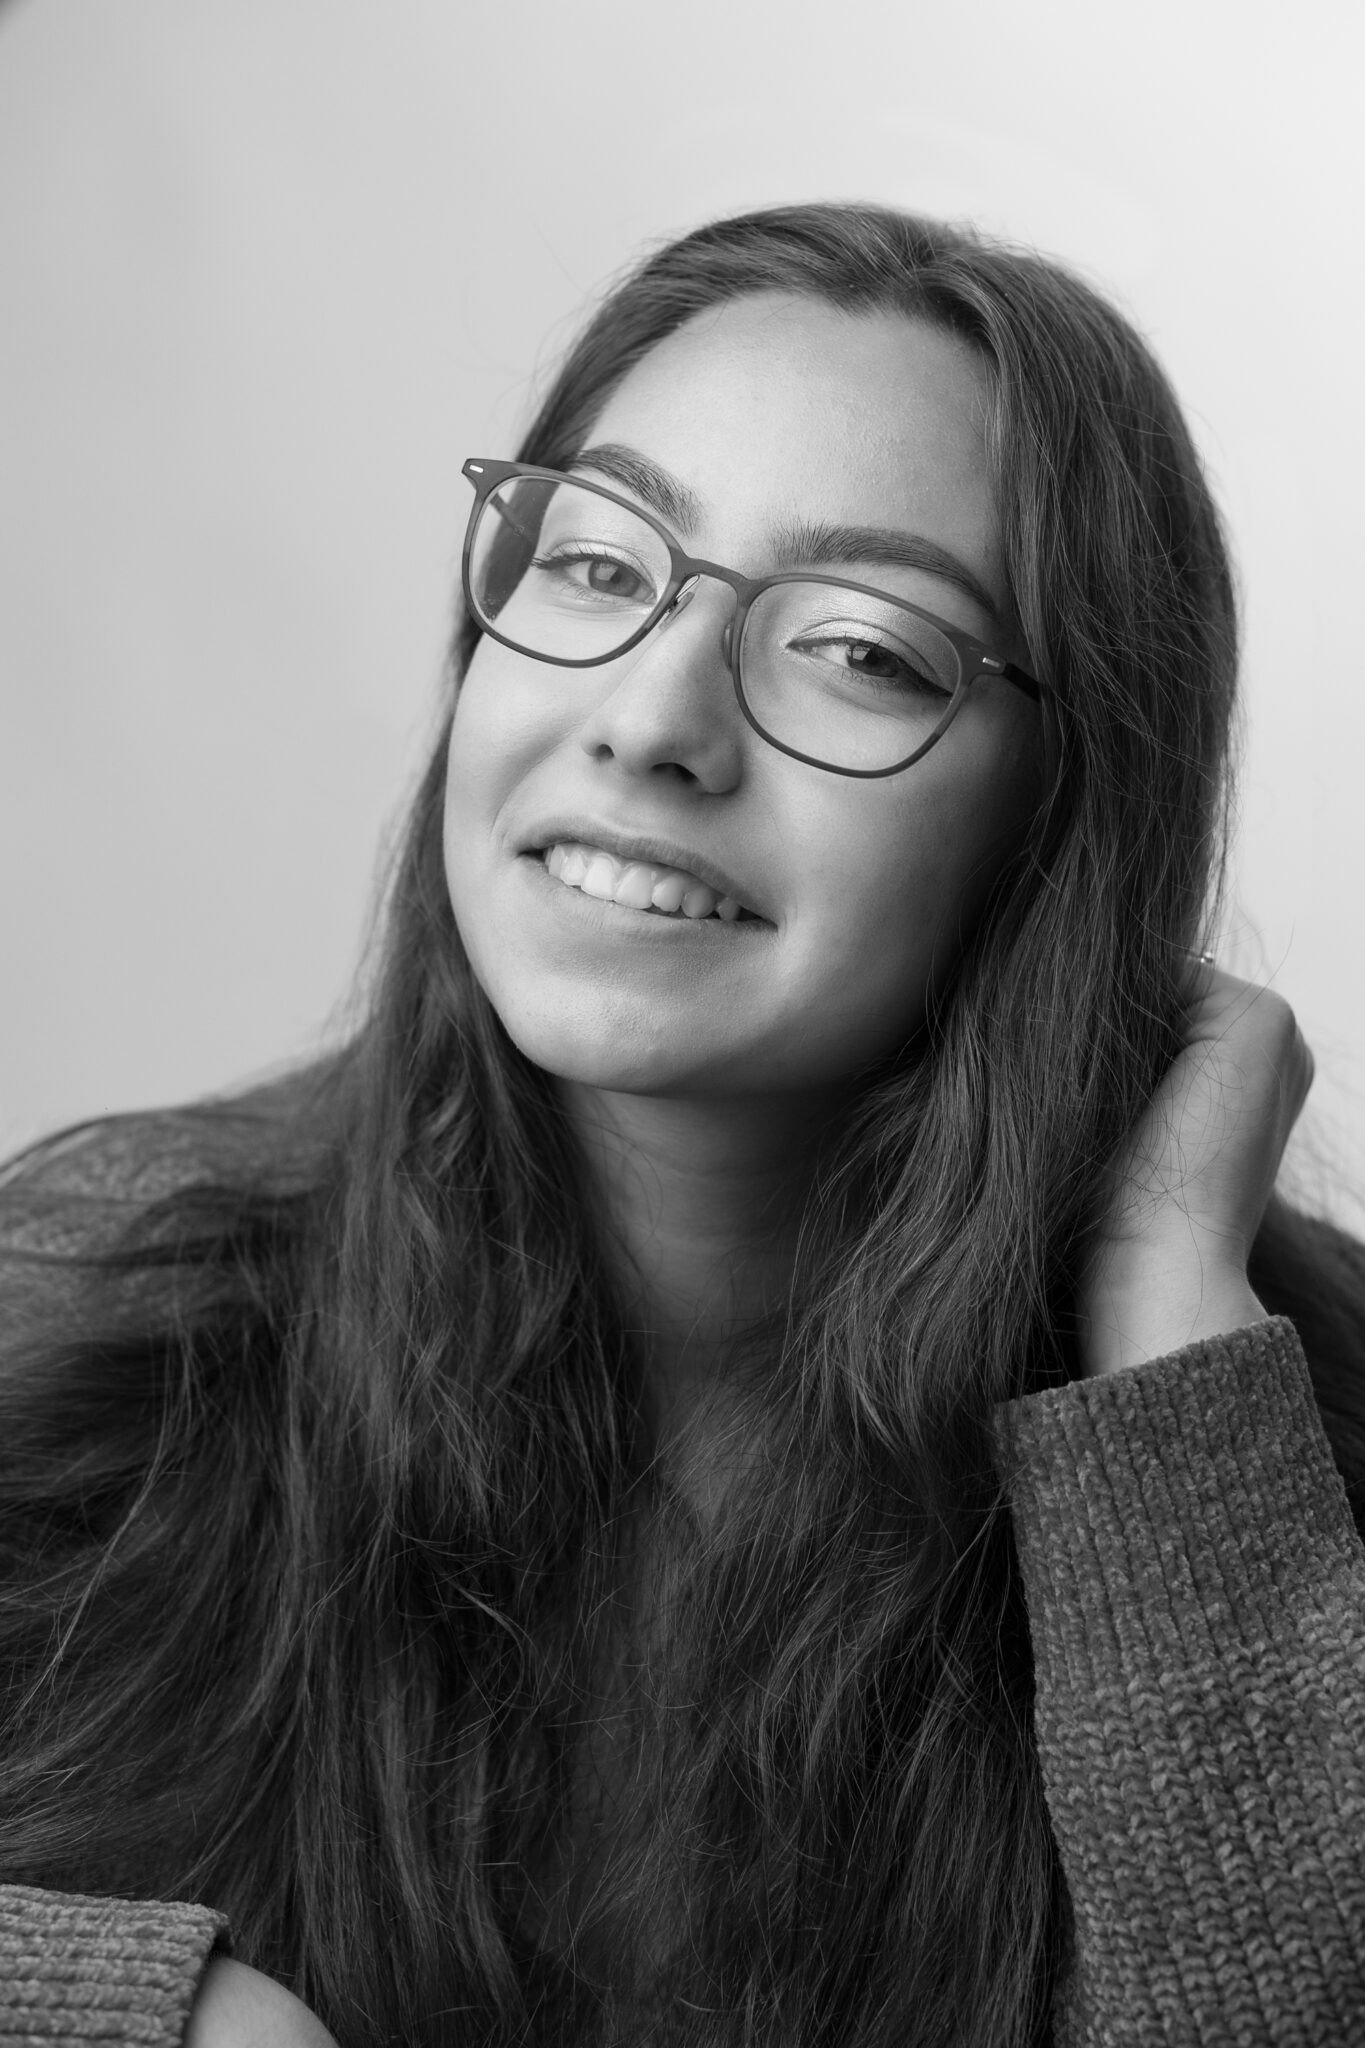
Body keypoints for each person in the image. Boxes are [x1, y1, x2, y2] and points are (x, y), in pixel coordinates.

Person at [2, 201, 1364, 2048]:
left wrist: (1171, 1358)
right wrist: (154, 2018)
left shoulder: (1280, 1469)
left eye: (863, 650)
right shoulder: (85, 1320)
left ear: (1060, 826)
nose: (651, 721)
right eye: (594, 563)